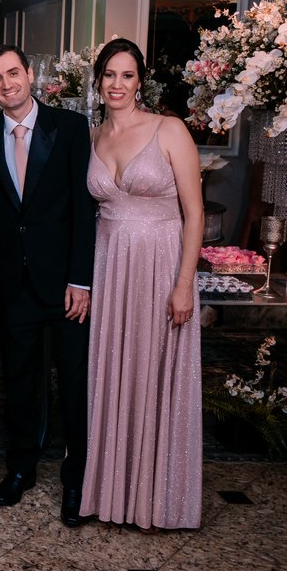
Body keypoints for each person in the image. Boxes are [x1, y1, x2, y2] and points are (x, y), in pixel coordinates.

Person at [0, 44, 96, 527]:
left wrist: (81, 279)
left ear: (29, 74)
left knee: (74, 381)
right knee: (18, 380)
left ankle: (77, 479)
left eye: (12, 73)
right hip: (12, 280)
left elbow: (84, 210)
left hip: (65, 284)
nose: (6, 84)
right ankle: (20, 469)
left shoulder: (70, 127)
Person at [81, 38, 203, 532]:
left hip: (159, 269)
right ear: (98, 80)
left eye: (127, 75)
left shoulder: (169, 129)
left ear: (140, 82)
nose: (117, 84)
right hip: (109, 270)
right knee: (113, 370)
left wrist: (184, 284)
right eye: (109, 74)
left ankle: (156, 497)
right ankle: (110, 492)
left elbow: (195, 213)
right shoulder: (92, 136)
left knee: (154, 371)